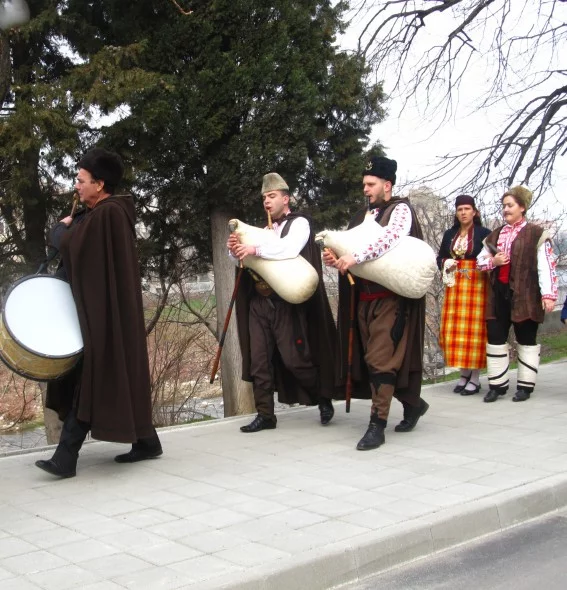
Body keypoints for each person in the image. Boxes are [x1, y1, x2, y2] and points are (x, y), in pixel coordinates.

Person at [35, 148, 162, 478]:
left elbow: (77, 248)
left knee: (93, 378)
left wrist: (59, 233)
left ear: (100, 184)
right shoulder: (99, 214)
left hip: (106, 316)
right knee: (107, 375)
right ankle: (147, 441)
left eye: (81, 180)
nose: (76, 186)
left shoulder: (109, 214)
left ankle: (66, 458)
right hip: (104, 314)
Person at [323, 156, 428, 451]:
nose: (366, 190)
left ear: (387, 184)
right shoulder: (360, 218)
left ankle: (376, 426)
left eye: (371, 184)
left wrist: (355, 257)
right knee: (373, 361)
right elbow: (348, 253)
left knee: (382, 360)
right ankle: (413, 403)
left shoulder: (400, 210)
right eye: (364, 185)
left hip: (391, 302)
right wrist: (336, 259)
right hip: (363, 302)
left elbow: (391, 239)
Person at [228, 172, 337, 432]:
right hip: (259, 302)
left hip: (286, 304)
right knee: (259, 361)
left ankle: (322, 395)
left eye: (272, 196)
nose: (267, 201)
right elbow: (241, 262)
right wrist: (234, 249)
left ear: (286, 199)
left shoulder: (300, 224)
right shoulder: (261, 230)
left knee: (294, 360)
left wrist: (255, 248)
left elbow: (288, 249)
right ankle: (266, 414)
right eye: (265, 197)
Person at [477, 186, 557, 403]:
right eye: (503, 206)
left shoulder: (536, 233)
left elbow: (546, 266)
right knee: (495, 337)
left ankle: (525, 386)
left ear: (522, 207)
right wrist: (493, 262)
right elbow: (480, 261)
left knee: (526, 338)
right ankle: (497, 385)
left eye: (510, 205)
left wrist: (548, 295)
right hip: (498, 295)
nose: (505, 209)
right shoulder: (495, 235)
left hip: (525, 294)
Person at [437, 195, 491, 395]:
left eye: (467, 209)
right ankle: (463, 373)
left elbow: (491, 256)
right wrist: (445, 263)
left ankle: (475, 378)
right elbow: (440, 256)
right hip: (455, 286)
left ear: (474, 211)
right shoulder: (449, 234)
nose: (463, 213)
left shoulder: (484, 233)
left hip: (477, 286)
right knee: (456, 330)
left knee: (474, 331)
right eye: (460, 209)